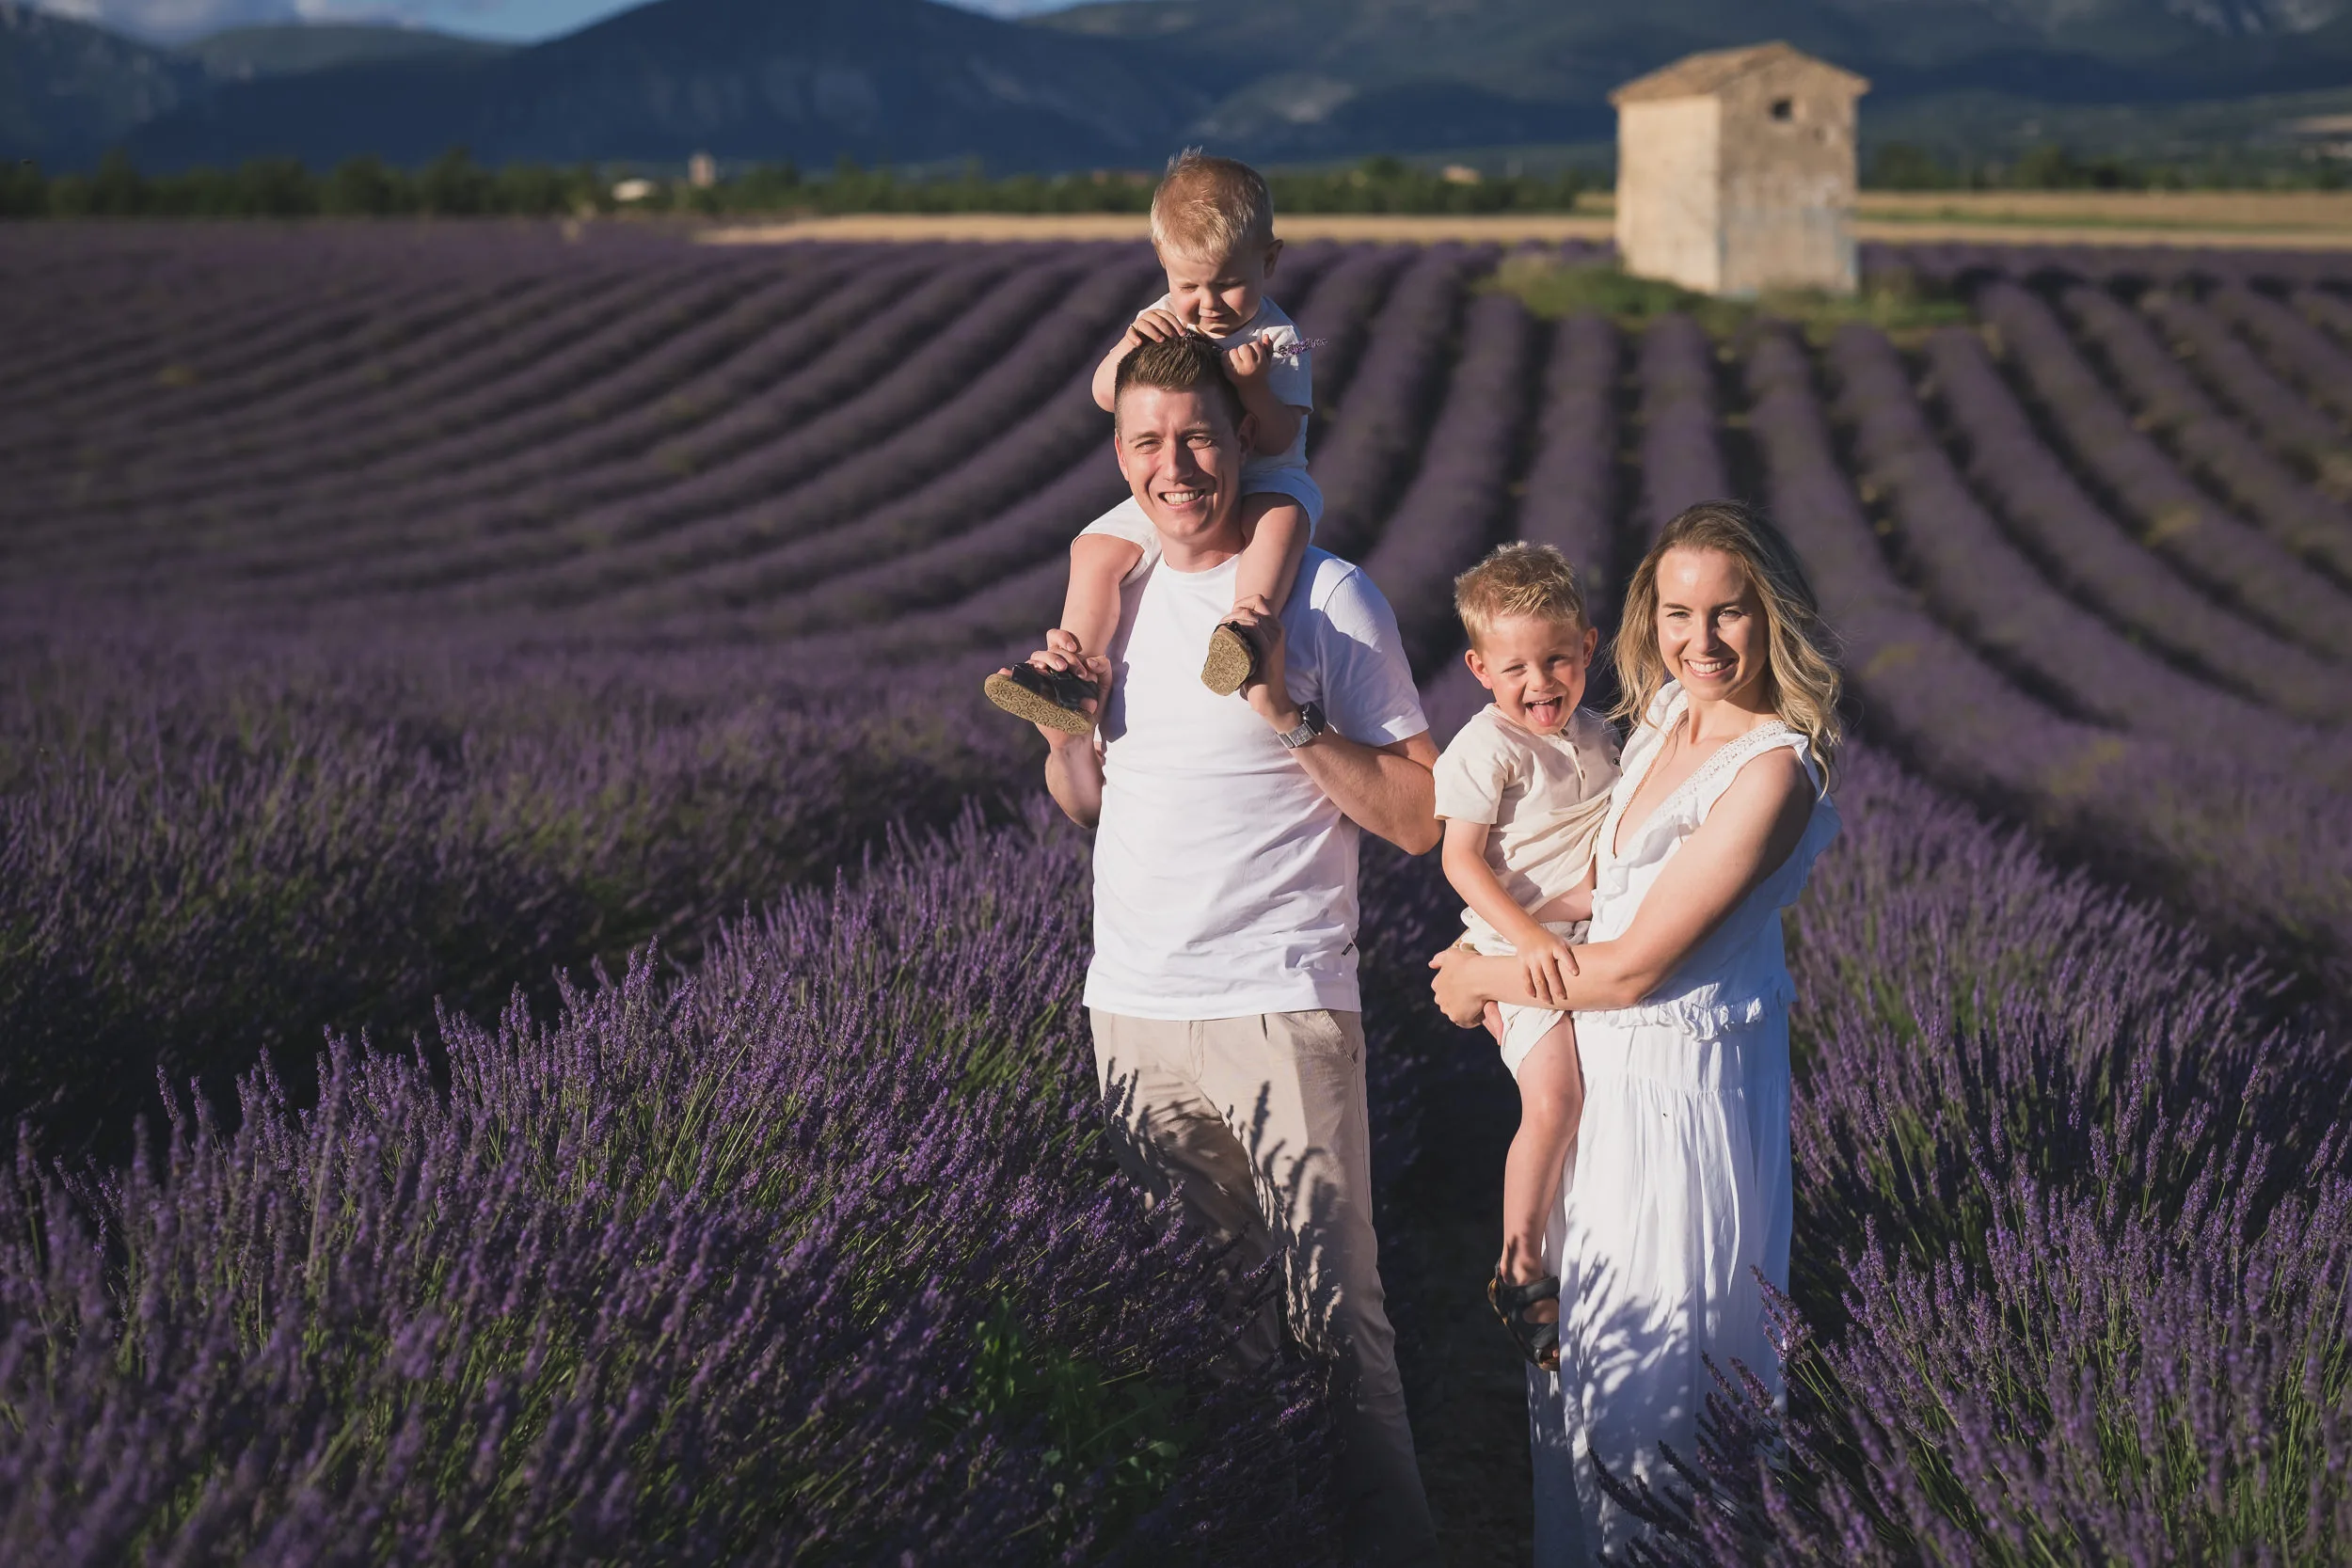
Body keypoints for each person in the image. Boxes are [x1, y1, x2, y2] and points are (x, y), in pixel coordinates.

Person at [1004, 330, 1442, 1565]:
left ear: (1244, 435)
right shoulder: (1117, 603)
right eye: (1146, 440)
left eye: (1196, 433)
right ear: (1117, 453)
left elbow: (1417, 819)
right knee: (1198, 1331)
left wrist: (1291, 713)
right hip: (1133, 1008)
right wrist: (1064, 742)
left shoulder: (1331, 596)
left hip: (1283, 1005)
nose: (1174, 464)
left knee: (1335, 1331)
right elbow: (1097, 802)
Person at [1428, 501, 1844, 1563]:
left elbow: (1635, 966)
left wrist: (1482, 972)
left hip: (1680, 1113)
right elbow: (1597, 890)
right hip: (1601, 1106)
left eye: (1729, 613)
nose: (1699, 641)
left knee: (1659, 1422)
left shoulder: (1769, 770)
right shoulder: (1659, 718)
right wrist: (1507, 932)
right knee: (1586, 1399)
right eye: (1676, 612)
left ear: (1775, 616)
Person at [985, 150, 1318, 730]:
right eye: (1189, 284)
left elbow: (1280, 436)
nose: (1208, 305)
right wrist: (1129, 347)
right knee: (1094, 550)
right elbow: (1104, 395)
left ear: (1271, 261)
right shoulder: (1162, 315)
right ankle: (1073, 676)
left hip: (1266, 476)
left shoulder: (1278, 337)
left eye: (1231, 284)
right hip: (1180, 478)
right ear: (1163, 264)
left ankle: (1245, 629)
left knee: (1280, 522)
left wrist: (1254, 386)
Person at [1431, 543, 1620, 1374]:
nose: (1540, 683)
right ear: (1478, 668)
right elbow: (1461, 861)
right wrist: (1530, 935)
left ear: (1589, 645)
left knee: (1591, 1106)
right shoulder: (1486, 748)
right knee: (1555, 1097)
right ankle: (1520, 1263)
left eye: (1557, 659)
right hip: (1518, 945)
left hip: (1578, 938)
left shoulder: (1599, 734)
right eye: (1516, 668)